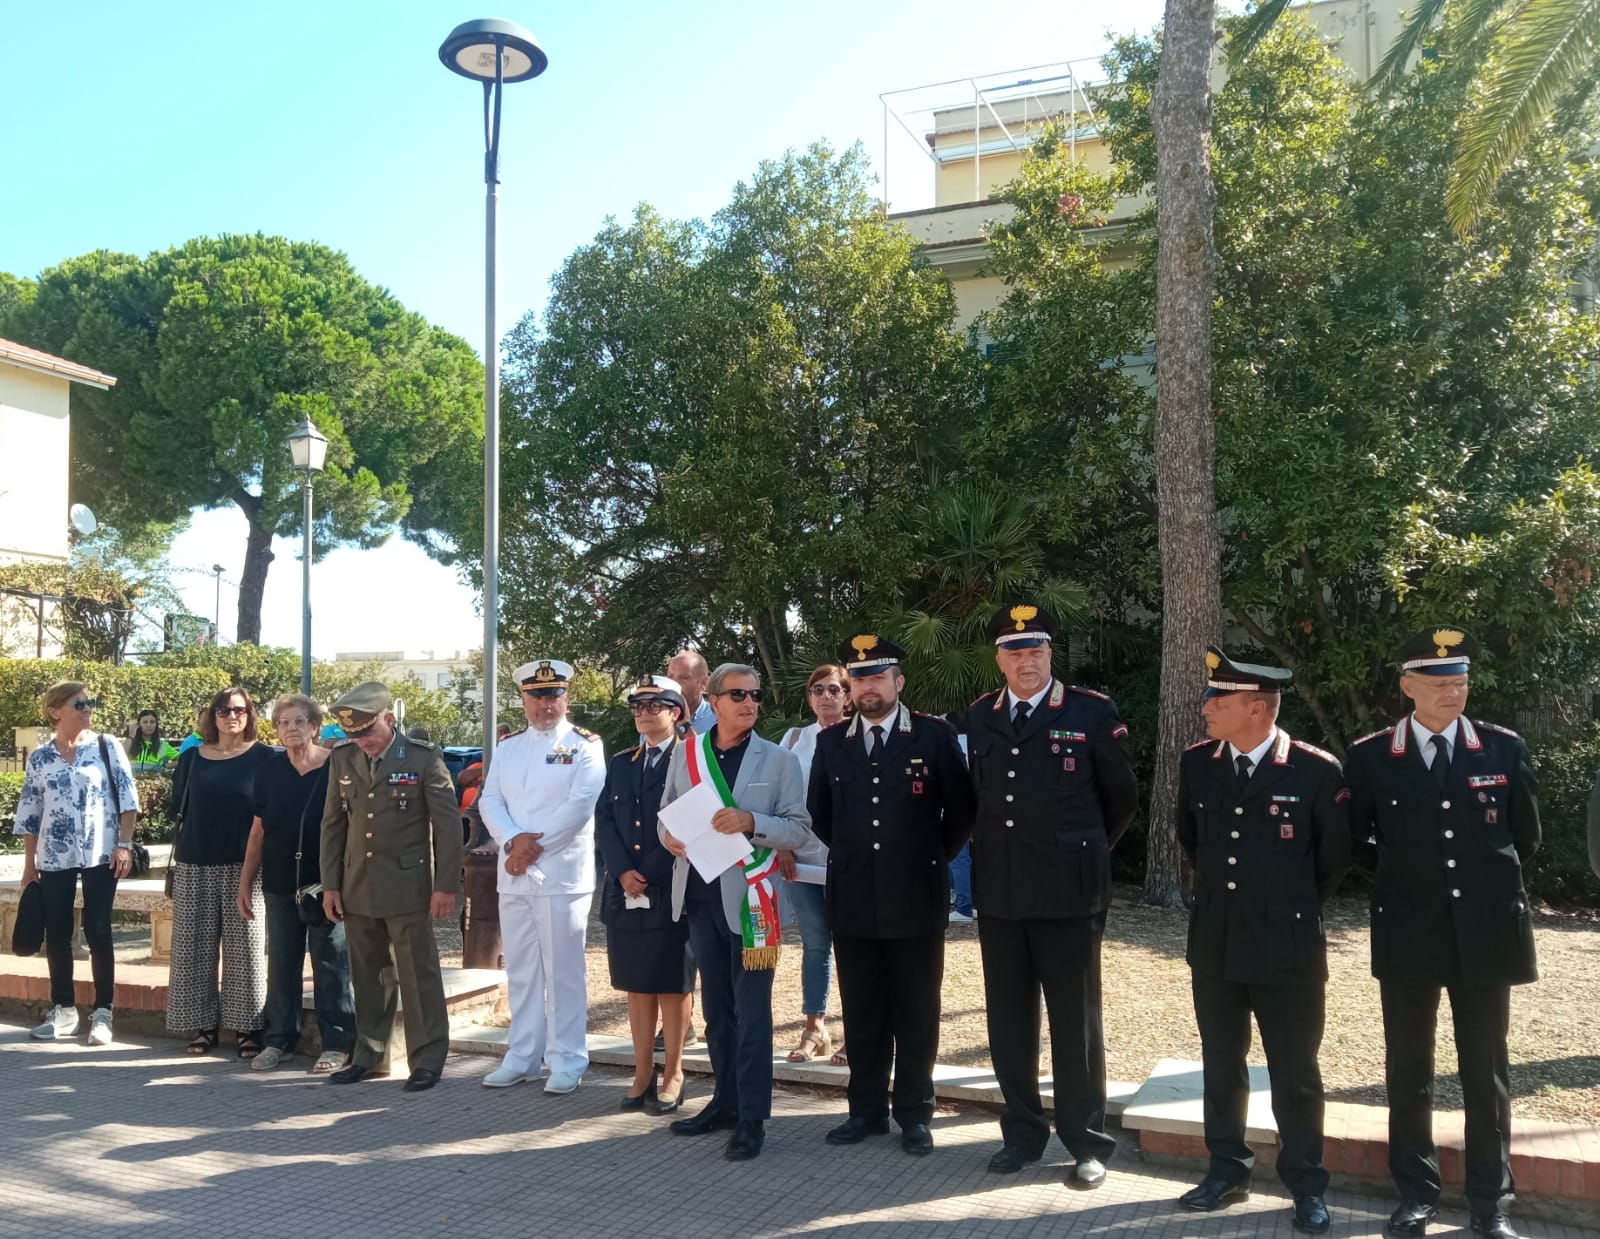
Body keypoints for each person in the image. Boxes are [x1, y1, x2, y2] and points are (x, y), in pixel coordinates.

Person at [1344, 628, 1539, 1239]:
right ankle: (1416, 1194)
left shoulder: (1503, 750)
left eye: (1459, 682)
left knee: (1486, 1073)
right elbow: (1358, 842)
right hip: (1409, 933)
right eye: (1437, 683)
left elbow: (1524, 839)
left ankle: (1490, 1202)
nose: (1452, 693)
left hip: (1485, 934)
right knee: (1409, 1070)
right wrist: (1414, 885)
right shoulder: (1373, 755)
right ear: (1408, 687)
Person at [1174, 648, 1350, 1234]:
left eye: (1216, 701)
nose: (1206, 710)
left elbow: (1331, 860)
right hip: (1217, 941)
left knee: (1295, 1073)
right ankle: (1226, 1171)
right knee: (1221, 1065)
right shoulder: (1199, 763)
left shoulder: (1315, 770)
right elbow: (1191, 837)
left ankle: (1306, 1186)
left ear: (1256, 707)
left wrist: (1284, 909)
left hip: (1287, 946)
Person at [964, 602, 1138, 1185]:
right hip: (1001, 893)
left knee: (1075, 1024)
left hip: (1069, 894)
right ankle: (1021, 1133)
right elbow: (974, 803)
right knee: (1009, 1020)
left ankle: (1086, 1141)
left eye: (1035, 649)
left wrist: (1082, 852)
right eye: (1014, 651)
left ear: (1050, 654)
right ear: (999, 659)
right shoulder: (981, 716)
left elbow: (1122, 799)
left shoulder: (1091, 711)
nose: (1026, 660)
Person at [808, 635, 975, 1156]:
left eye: (878, 677)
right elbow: (821, 814)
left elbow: (962, 810)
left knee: (917, 1010)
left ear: (899, 682)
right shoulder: (832, 742)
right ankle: (865, 1112)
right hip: (854, 895)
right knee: (862, 1010)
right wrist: (862, 856)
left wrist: (924, 857)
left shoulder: (932, 735)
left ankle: (914, 1114)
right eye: (860, 678)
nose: (868, 686)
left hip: (916, 895)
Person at [659, 663, 812, 1161]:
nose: (750, 703)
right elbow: (666, 814)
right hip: (700, 898)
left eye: (755, 695)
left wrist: (751, 821)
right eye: (739, 695)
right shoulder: (687, 754)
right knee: (716, 1012)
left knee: (751, 1012)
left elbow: (798, 829)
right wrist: (670, 839)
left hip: (753, 904)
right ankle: (722, 1103)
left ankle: (752, 1116)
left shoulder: (779, 760)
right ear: (714, 699)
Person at [320, 682, 463, 1092]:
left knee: (418, 975)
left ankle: (428, 1058)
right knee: (368, 976)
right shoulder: (343, 759)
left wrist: (445, 886)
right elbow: (332, 825)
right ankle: (370, 1055)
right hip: (356, 884)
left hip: (408, 884)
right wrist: (331, 884)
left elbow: (448, 827)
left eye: (367, 732)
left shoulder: (422, 758)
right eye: (353, 735)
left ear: (388, 719)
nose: (361, 742)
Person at [476, 659, 607, 1094]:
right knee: (522, 969)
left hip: (560, 873)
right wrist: (513, 842)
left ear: (566, 697)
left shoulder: (586, 745)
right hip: (513, 871)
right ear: (524, 699)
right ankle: (522, 1055)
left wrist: (532, 848)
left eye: (553, 695)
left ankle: (567, 1059)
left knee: (564, 970)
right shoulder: (509, 748)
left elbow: (581, 804)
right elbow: (490, 800)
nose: (545, 704)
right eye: (537, 695)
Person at [14, 682, 140, 1045]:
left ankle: (103, 1012)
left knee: (99, 930)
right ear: (55, 711)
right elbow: (31, 814)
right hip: (54, 855)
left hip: (101, 852)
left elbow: (128, 797)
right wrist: (29, 865)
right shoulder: (40, 758)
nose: (87, 708)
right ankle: (64, 1009)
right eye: (79, 703)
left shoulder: (106, 746)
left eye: (91, 702)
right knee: (57, 932)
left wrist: (124, 845)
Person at [235, 693, 355, 1073]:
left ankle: (336, 1044)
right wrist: (245, 882)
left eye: (299, 721)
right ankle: (278, 1041)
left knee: (331, 964)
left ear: (315, 727)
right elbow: (258, 831)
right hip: (280, 882)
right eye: (284, 722)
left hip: (325, 884)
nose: (291, 728)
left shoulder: (336, 766)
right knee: (282, 964)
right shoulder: (270, 770)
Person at [595, 675, 695, 1113]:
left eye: (655, 704)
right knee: (636, 986)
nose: (644, 712)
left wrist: (649, 872)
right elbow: (605, 821)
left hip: (672, 886)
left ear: (676, 712)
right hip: (627, 889)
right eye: (637, 705)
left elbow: (689, 821)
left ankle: (673, 1071)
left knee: (672, 986)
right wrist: (622, 872)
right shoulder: (622, 762)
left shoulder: (690, 759)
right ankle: (641, 1072)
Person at [166, 686, 277, 1058]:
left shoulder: (265, 759)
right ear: (211, 715)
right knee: (191, 950)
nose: (232, 716)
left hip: (245, 866)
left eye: (240, 710)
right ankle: (202, 1027)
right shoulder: (192, 759)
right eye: (224, 710)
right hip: (194, 862)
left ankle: (247, 1028)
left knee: (246, 950)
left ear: (250, 715)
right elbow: (178, 810)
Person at [776, 662, 850, 1064]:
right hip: (800, 861)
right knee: (816, 945)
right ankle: (815, 1029)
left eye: (835, 689)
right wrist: (781, 845)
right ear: (809, 697)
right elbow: (778, 798)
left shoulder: (859, 737)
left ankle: (856, 1029)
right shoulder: (793, 740)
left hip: (848, 862)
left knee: (855, 946)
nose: (826, 696)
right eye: (818, 689)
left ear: (848, 696)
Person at [667, 649, 717, 734]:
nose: (674, 684)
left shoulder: (719, 719)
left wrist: (685, 726)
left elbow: (705, 748)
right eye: (670, 677)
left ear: (703, 683)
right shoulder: (657, 715)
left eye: (684, 678)